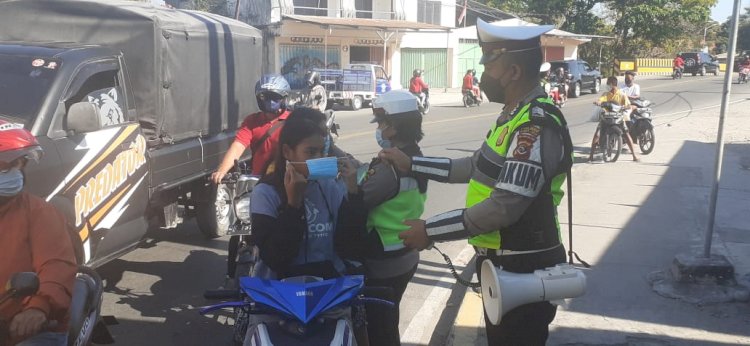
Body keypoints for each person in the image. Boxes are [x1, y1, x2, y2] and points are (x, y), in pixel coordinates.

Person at [379, 19, 574, 345]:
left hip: (524, 263)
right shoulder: (512, 116)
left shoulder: (535, 125)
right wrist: (412, 163)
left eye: (488, 63)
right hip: (502, 261)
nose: (483, 74)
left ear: (513, 71)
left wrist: (429, 231)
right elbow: (473, 167)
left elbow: (505, 207)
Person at [249, 107, 366, 280]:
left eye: (321, 151)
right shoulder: (265, 193)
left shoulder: (328, 186)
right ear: (288, 152)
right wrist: (293, 205)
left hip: (326, 290)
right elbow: (275, 258)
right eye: (311, 152)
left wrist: (353, 193)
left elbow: (350, 245)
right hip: (281, 292)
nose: (318, 158)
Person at [210, 74, 291, 287]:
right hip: (257, 185)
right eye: (265, 96)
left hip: (285, 184)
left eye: (274, 96)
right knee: (239, 229)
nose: (269, 101)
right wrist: (221, 170)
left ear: (284, 98)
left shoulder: (292, 121)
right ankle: (230, 275)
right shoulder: (252, 122)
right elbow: (238, 145)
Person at [0, 120, 77, 346]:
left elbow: (57, 264)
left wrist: (39, 307)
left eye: (20, 165)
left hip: (29, 325)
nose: (16, 174)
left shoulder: (40, 212)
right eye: (5, 167)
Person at [359, 90, 427, 346]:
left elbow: (360, 196)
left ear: (394, 126)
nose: (378, 129)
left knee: (379, 329)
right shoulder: (415, 156)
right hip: (405, 254)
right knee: (388, 322)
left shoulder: (391, 167)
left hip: (382, 261)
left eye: (380, 123)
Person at [589, 76, 639, 162]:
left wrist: (626, 107)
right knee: (597, 134)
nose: (607, 85)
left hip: (618, 117)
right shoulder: (606, 94)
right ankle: (591, 156)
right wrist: (598, 102)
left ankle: (634, 156)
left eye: (608, 83)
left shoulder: (622, 94)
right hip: (606, 116)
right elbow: (600, 100)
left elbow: (628, 104)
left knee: (626, 134)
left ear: (612, 84)